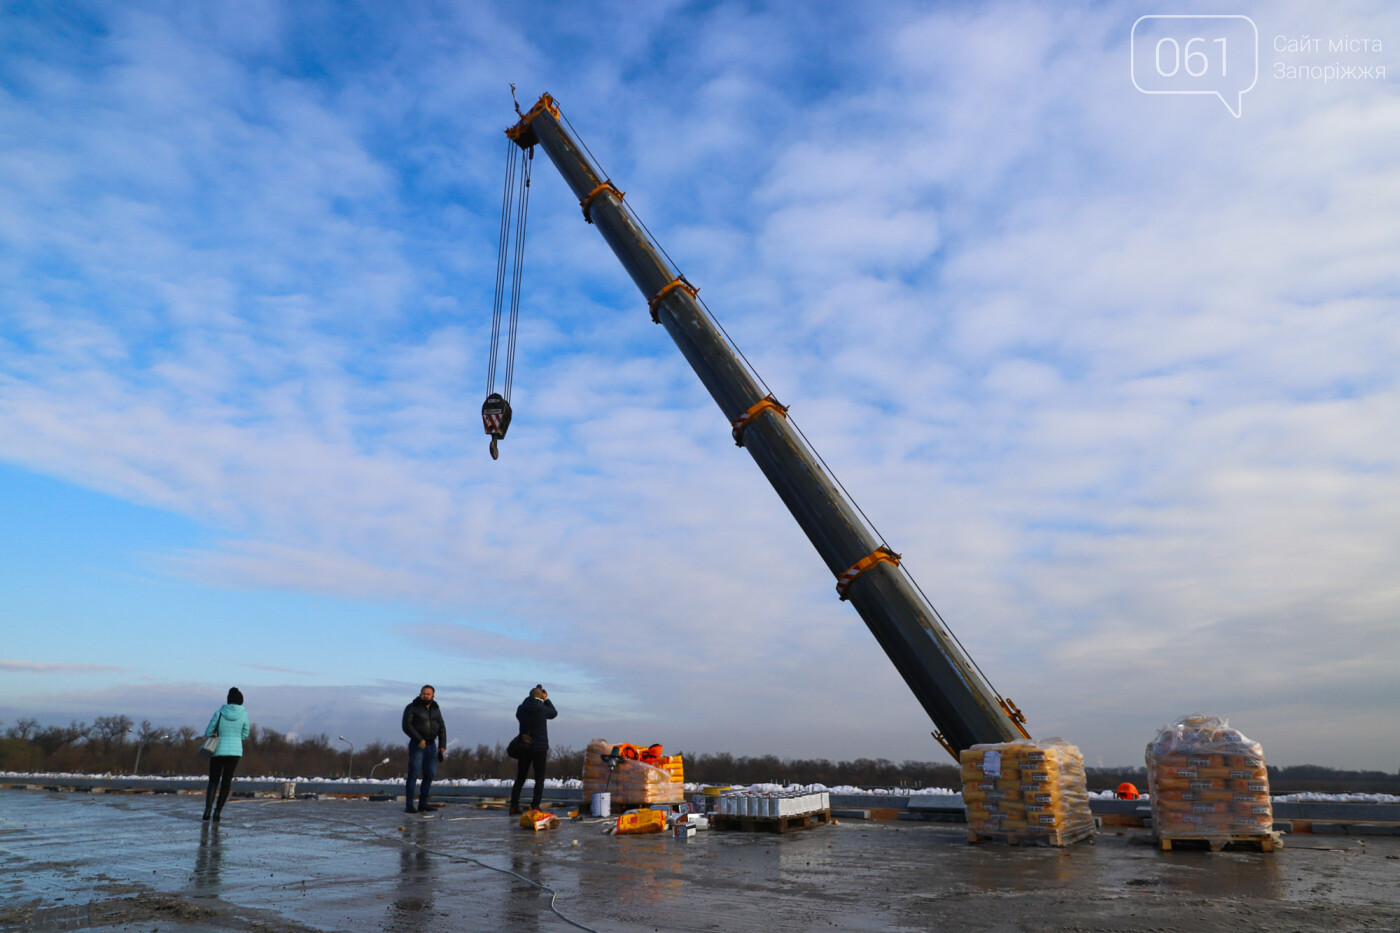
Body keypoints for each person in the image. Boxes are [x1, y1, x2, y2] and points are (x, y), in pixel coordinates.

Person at [203, 687, 250, 821]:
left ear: (228, 700)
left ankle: (207, 811)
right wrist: (235, 738)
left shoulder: (219, 713)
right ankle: (217, 812)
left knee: (213, 781)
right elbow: (245, 734)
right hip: (235, 753)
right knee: (226, 782)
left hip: (218, 750)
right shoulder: (244, 715)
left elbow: (208, 732)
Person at [509, 684, 557, 815]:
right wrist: (546, 699)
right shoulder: (542, 708)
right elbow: (553, 713)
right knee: (539, 779)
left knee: (520, 778)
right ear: (540, 696)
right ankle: (535, 806)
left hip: (524, 747)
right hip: (539, 748)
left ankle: (513, 806)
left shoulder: (521, 709)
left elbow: (519, 716)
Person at [402, 684, 446, 814]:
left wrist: (442, 745)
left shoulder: (436, 709)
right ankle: (409, 804)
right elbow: (406, 725)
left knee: (429, 774)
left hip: (432, 746)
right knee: (414, 773)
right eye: (423, 693)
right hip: (417, 745)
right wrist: (418, 739)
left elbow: (442, 727)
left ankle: (423, 803)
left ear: (433, 696)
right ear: (420, 694)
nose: (425, 695)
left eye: (428, 694)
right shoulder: (412, 707)